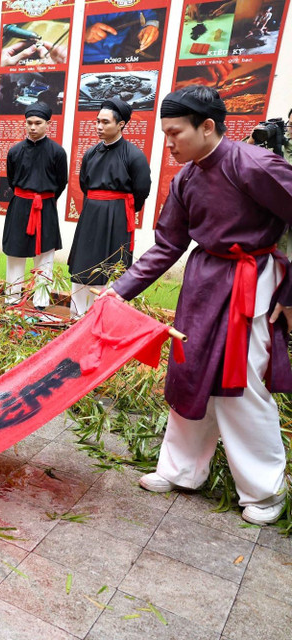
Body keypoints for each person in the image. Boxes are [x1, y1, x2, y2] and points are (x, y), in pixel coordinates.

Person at [103, 86, 292, 526]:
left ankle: (264, 491)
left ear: (207, 127)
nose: (168, 144)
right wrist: (120, 290)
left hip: (250, 281)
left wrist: (288, 293)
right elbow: (169, 243)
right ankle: (182, 470)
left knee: (240, 383)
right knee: (190, 372)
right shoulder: (185, 177)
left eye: (175, 133)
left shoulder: (256, 164)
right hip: (204, 282)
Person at [68, 97, 151, 317]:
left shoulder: (134, 155)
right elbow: (84, 184)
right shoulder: (91, 153)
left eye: (105, 122)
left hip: (118, 215)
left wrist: (120, 210)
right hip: (91, 213)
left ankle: (104, 318)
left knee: (113, 265)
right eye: (97, 121)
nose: (99, 127)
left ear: (121, 124)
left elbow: (142, 189)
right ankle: (76, 316)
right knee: (83, 264)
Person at [3, 102, 68, 308]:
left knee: (45, 256)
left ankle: (41, 302)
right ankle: (11, 300)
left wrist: (45, 198)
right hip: (20, 205)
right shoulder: (14, 151)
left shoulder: (58, 152)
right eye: (29, 123)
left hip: (45, 206)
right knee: (15, 254)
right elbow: (12, 180)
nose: (32, 127)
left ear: (48, 123)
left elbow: (61, 181)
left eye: (38, 123)